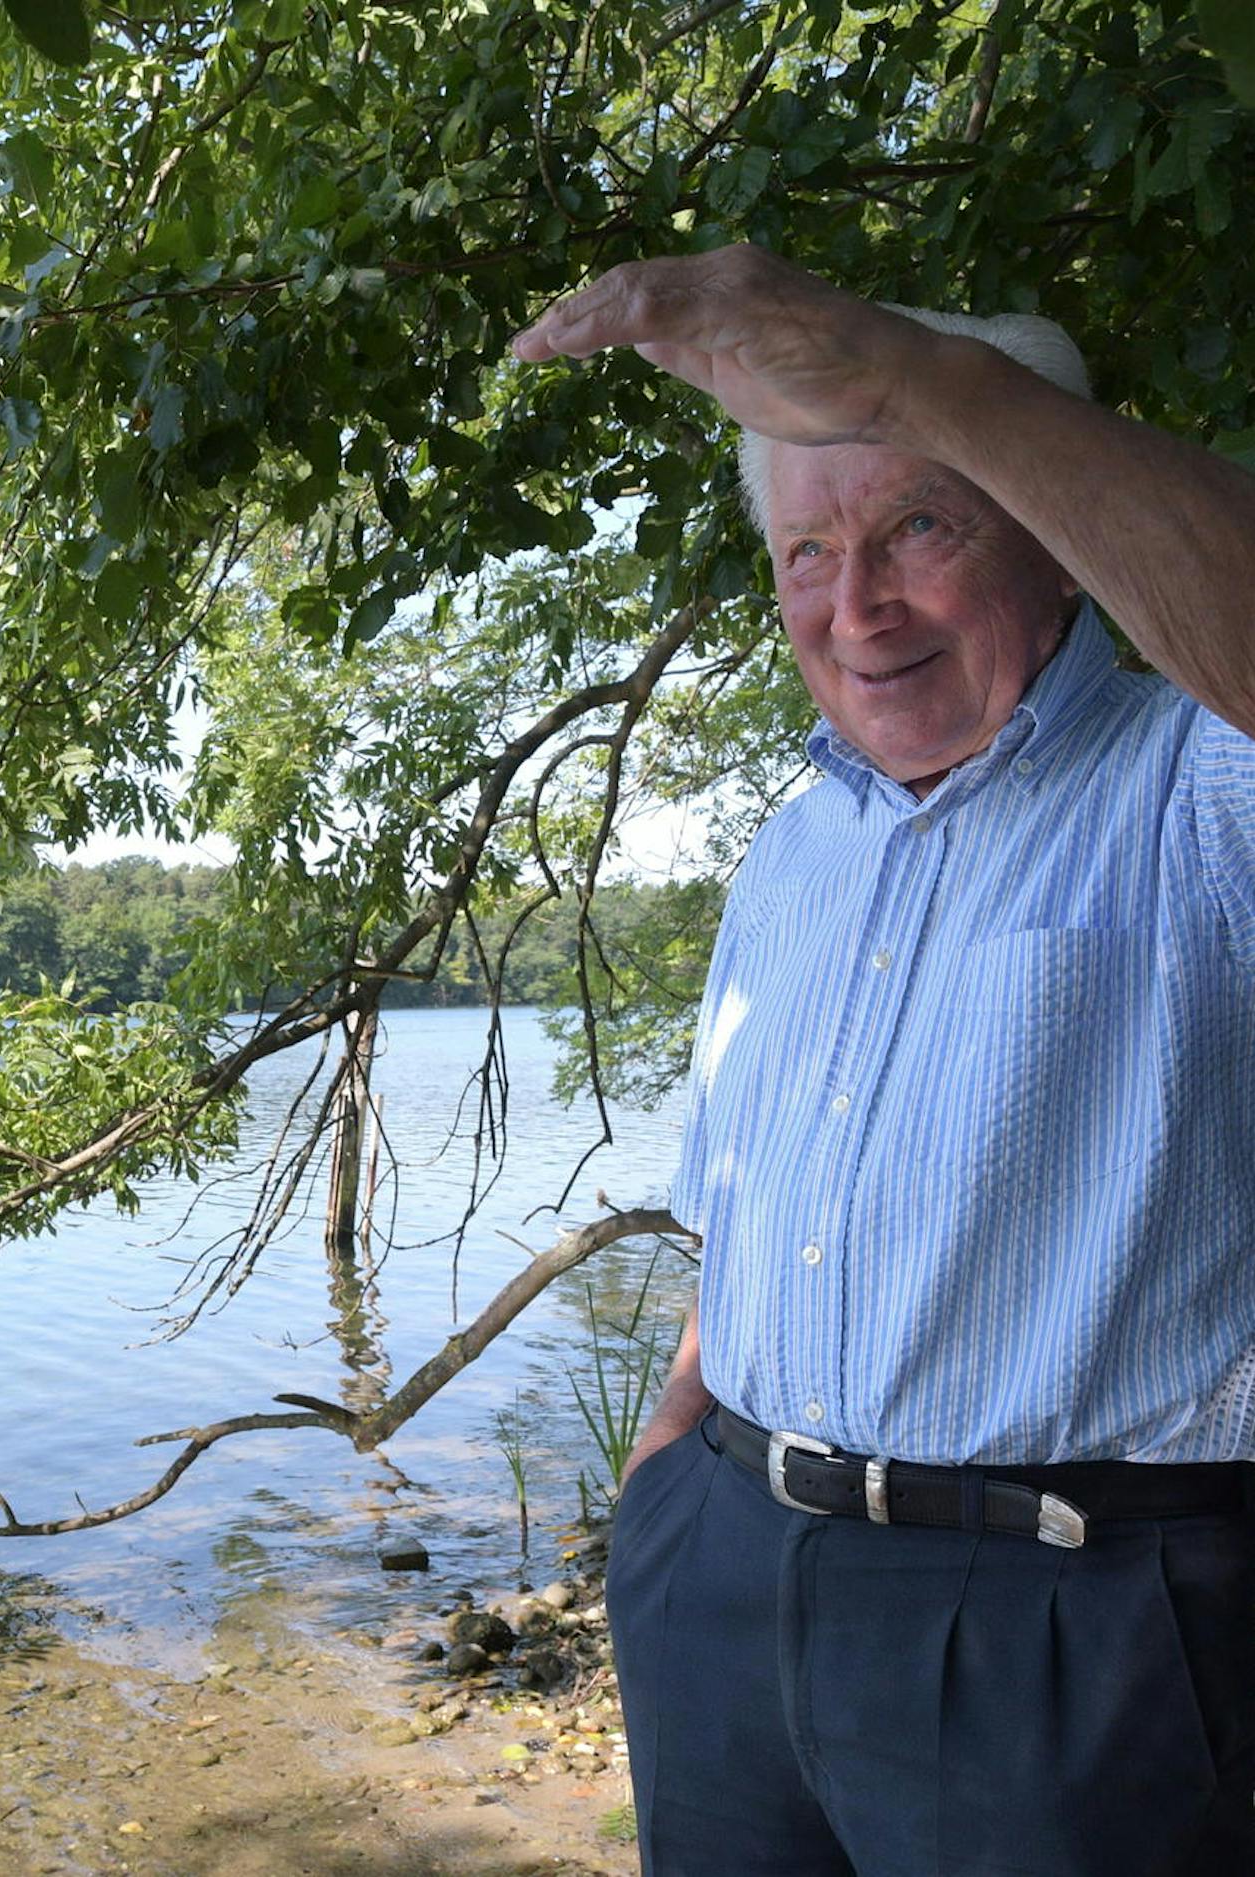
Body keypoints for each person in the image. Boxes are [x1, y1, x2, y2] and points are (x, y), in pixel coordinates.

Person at [511, 245, 1255, 1876]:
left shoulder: (1199, 781)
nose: (859, 607)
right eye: (807, 551)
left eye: (922, 523)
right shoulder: (788, 854)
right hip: (725, 1580)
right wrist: (667, 1488)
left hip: (1068, 1627)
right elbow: (750, 1203)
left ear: (1055, 538)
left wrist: (909, 373)